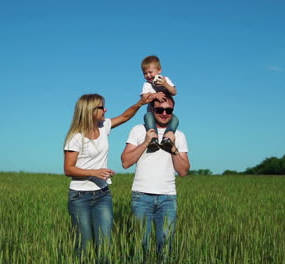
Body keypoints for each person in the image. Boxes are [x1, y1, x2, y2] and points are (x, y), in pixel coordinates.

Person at [63, 93, 152, 257]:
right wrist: (94, 172)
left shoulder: (103, 126)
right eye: (102, 107)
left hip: (103, 195)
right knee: (84, 246)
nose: (106, 109)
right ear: (90, 111)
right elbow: (68, 169)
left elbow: (125, 116)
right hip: (79, 197)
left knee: (105, 245)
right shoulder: (75, 138)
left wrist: (140, 103)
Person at [121, 92, 190, 261]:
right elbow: (125, 162)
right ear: (151, 109)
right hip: (141, 196)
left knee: (166, 247)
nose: (164, 113)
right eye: (160, 109)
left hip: (168, 198)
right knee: (140, 246)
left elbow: (183, 171)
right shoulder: (138, 130)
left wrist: (172, 146)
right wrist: (146, 142)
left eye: (169, 110)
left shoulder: (179, 135)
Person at [140, 55, 180, 153]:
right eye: (145, 73)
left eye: (150, 72)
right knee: (148, 117)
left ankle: (167, 138)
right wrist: (155, 95)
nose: (148, 75)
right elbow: (144, 97)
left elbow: (174, 92)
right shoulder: (147, 84)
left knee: (175, 120)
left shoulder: (165, 80)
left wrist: (165, 84)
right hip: (153, 112)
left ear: (159, 71)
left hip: (166, 112)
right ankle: (153, 138)